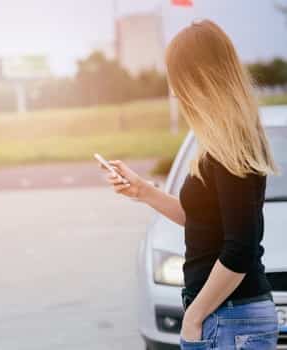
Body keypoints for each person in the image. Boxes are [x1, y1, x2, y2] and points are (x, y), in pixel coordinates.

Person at [100, 19, 280, 349]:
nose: (174, 90)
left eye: (178, 79)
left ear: (200, 79)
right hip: (226, 317)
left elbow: (240, 248)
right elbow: (204, 221)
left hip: (228, 319)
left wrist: (194, 316)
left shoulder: (231, 144)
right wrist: (143, 190)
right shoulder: (217, 142)